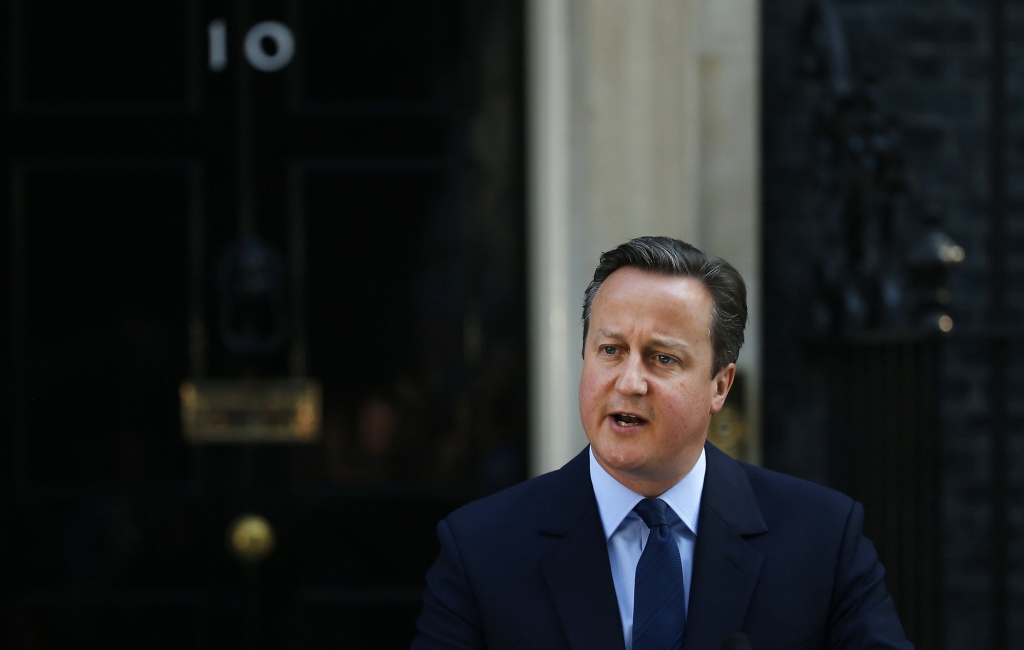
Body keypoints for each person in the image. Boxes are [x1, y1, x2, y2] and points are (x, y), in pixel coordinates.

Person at [412, 236, 912, 650]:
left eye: (662, 359)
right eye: (610, 350)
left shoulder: (822, 539)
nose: (629, 381)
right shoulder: (481, 548)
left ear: (720, 385)